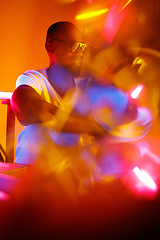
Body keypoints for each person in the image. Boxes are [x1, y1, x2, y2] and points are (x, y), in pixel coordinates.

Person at [11, 21, 152, 197]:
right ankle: (31, 202)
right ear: (50, 45)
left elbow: (136, 120)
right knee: (34, 132)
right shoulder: (34, 79)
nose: (80, 53)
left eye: (83, 47)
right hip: (48, 169)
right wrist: (90, 126)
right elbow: (26, 107)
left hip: (83, 173)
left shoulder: (89, 86)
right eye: (74, 45)